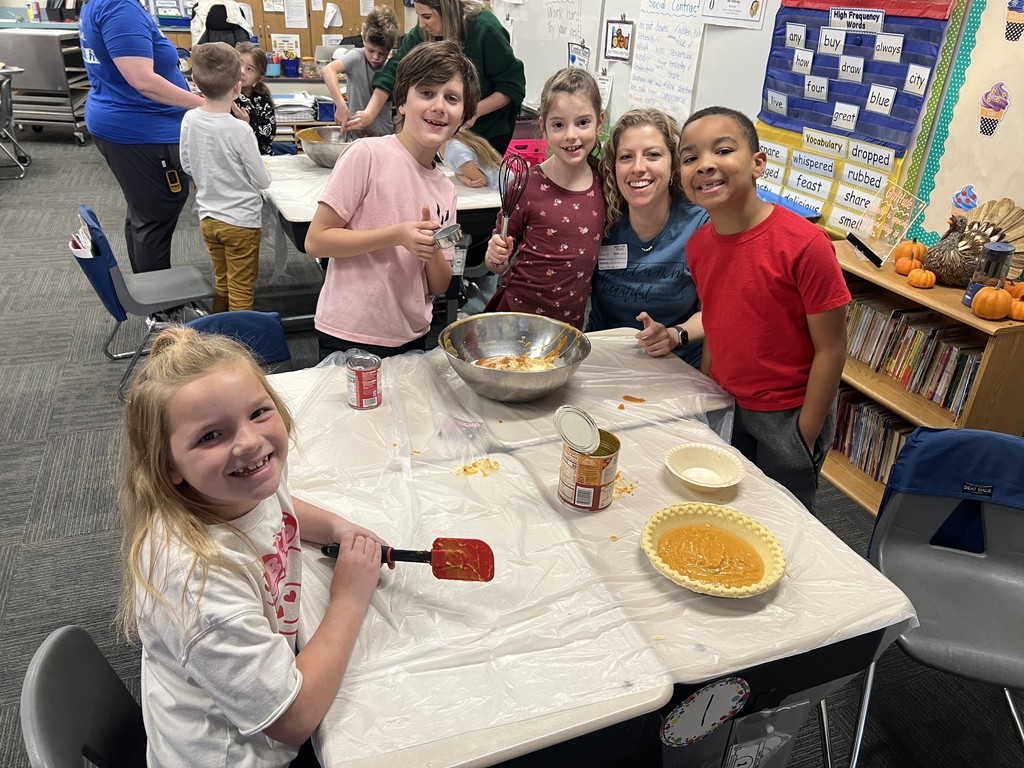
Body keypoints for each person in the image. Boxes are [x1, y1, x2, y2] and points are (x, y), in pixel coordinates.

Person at [118, 327, 389, 766]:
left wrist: (337, 527)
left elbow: (278, 505)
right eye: (211, 436)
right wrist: (349, 597)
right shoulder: (196, 585)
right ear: (169, 466)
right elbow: (293, 720)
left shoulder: (236, 486)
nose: (248, 442)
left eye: (259, 413)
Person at [678, 106, 850, 511]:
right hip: (726, 401)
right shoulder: (699, 245)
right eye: (690, 158)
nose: (705, 165)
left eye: (722, 150)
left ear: (758, 163)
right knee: (721, 504)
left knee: (781, 515)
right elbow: (718, 321)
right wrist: (708, 393)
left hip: (786, 415)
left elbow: (832, 349)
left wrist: (804, 433)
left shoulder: (805, 246)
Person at [305, 41, 481, 360]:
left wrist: (428, 251)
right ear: (401, 102)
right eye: (426, 93)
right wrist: (396, 236)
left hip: (410, 334)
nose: (439, 106)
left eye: (452, 98)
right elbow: (316, 241)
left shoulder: (445, 190)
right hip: (351, 330)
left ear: (465, 117)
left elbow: (440, 284)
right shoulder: (367, 155)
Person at [80, 0, 205, 273]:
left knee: (143, 213)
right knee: (156, 215)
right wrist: (206, 105)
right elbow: (143, 81)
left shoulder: (104, 5)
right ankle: (162, 311)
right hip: (141, 129)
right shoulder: (119, 7)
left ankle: (149, 293)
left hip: (126, 121)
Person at [483, 68, 605, 330]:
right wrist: (494, 255)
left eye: (582, 122)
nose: (571, 135)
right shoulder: (526, 185)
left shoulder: (604, 184)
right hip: (515, 317)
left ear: (600, 123)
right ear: (543, 127)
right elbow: (496, 263)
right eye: (558, 125)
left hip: (568, 325)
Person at [588, 108, 709, 366]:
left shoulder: (700, 226)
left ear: (674, 166)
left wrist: (675, 336)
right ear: (614, 167)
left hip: (676, 366)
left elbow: (714, 312)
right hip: (603, 362)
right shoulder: (599, 219)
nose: (638, 168)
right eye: (626, 157)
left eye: (653, 155)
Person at [344, 0, 524, 154]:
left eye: (427, 16)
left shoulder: (484, 29)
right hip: (447, 130)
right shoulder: (423, 33)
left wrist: (472, 111)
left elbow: (511, 86)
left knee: (476, 184)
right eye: (419, 16)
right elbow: (395, 71)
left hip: (488, 131)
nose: (422, 24)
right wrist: (369, 113)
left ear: (446, 9)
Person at [180, 42, 271, 313]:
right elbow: (262, 181)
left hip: (209, 218)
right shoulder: (240, 130)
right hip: (241, 222)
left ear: (195, 82)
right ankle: (236, 346)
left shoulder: (189, 119)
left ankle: (218, 333)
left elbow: (187, 165)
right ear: (237, 86)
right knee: (242, 289)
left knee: (222, 282)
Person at [320, 6, 400, 137]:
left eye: (382, 53)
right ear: (363, 38)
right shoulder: (356, 57)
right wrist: (340, 105)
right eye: (371, 50)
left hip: (384, 136)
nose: (375, 57)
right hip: (355, 136)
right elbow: (328, 70)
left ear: (391, 48)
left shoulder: (390, 68)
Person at [234, 41, 276, 155]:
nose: (242, 72)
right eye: (239, 65)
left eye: (250, 69)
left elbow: (267, 137)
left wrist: (247, 124)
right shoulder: (223, 96)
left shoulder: (262, 100)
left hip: (258, 157)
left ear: (259, 78)